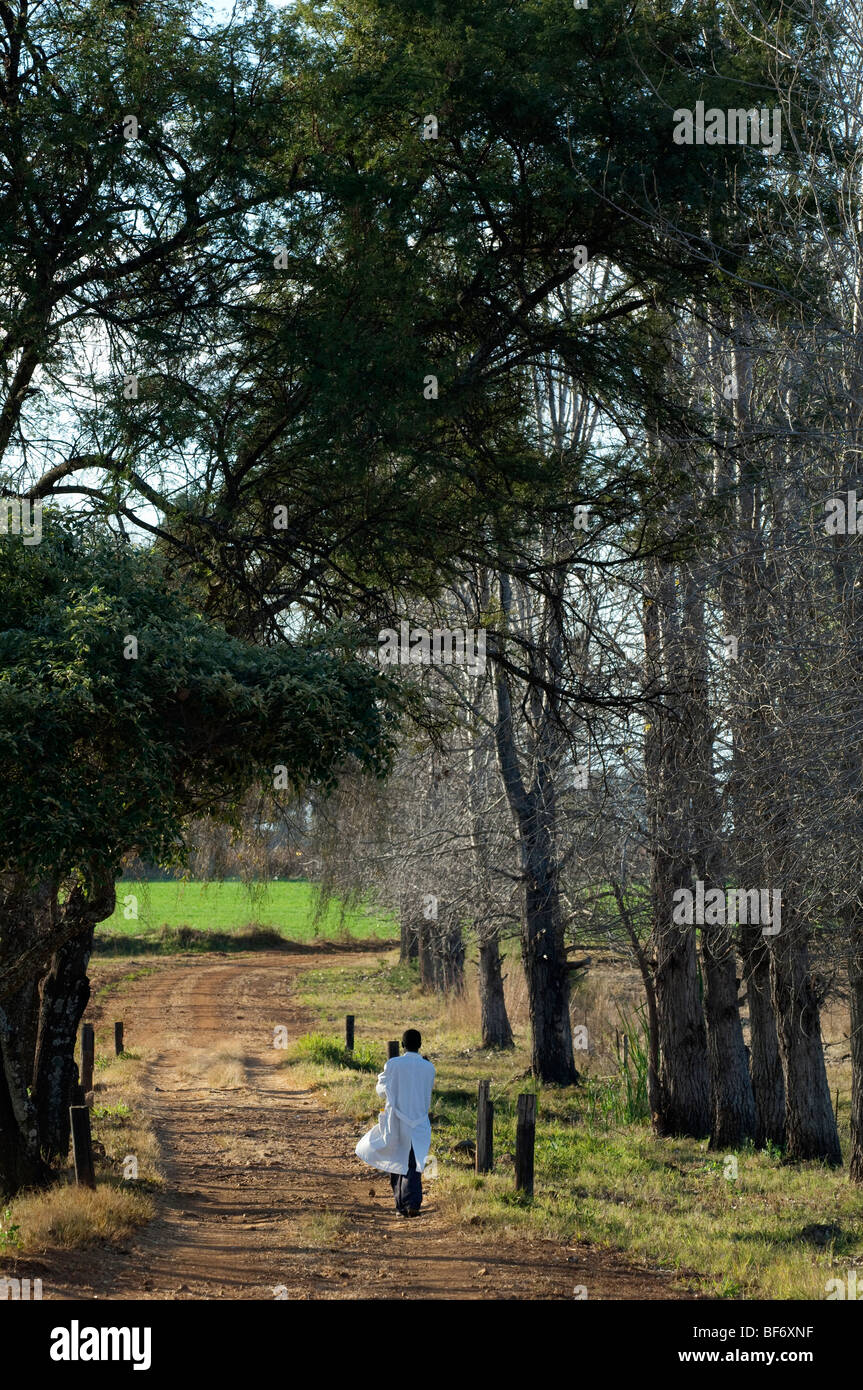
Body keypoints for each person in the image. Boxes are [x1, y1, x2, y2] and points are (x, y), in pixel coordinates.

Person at [355, 1028, 435, 1217]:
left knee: (396, 1160)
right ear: (420, 1045)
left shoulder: (393, 1064)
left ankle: (402, 1205)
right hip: (420, 1122)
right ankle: (413, 1203)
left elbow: (381, 1090)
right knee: (415, 1163)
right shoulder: (429, 1067)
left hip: (396, 1120)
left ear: (402, 1045)